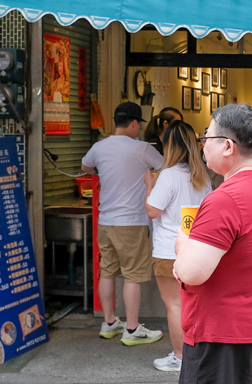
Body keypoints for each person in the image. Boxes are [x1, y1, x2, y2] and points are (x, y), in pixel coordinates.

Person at [173, 104, 252, 384]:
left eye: (206, 138)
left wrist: (182, 244)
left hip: (223, 335)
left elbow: (191, 272)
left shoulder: (225, 199)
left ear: (227, 146)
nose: (202, 146)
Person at [81, 101, 164, 346]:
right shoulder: (142, 149)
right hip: (133, 223)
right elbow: (166, 167)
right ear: (135, 123)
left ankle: (109, 322)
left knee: (107, 272)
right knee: (133, 276)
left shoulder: (99, 147)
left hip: (106, 222)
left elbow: (85, 166)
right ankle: (132, 328)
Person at [145, 120, 213, 372]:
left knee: (175, 305)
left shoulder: (169, 175)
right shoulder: (202, 175)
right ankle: (197, 354)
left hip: (167, 251)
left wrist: (149, 186)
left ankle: (180, 356)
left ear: (168, 145)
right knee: (195, 305)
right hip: (197, 249)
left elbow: (153, 210)